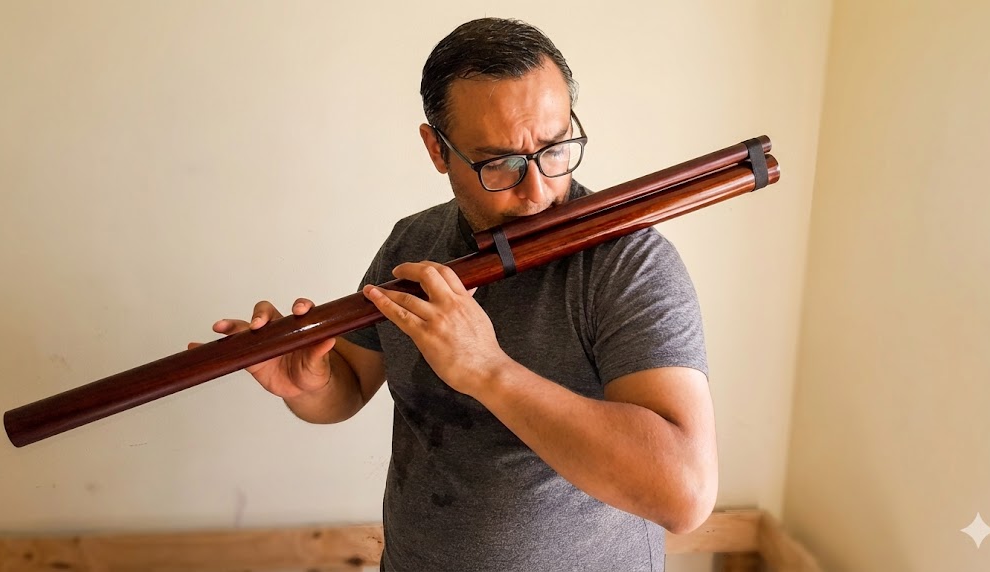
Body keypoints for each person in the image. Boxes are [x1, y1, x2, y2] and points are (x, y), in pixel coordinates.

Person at [194, 17, 718, 571]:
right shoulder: (414, 242)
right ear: (436, 149)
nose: (537, 190)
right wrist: (309, 384)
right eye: (501, 163)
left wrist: (488, 370)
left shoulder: (629, 264)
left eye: (555, 148)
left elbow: (683, 494)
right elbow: (349, 387)